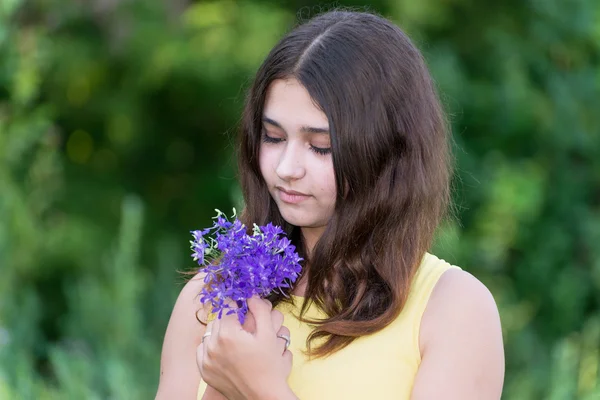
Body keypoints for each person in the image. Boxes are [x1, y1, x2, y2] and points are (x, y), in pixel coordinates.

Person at [156, 9, 505, 400]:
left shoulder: (453, 309)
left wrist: (261, 388)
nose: (287, 168)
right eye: (273, 138)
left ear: (387, 151)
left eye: (320, 146)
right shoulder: (211, 298)